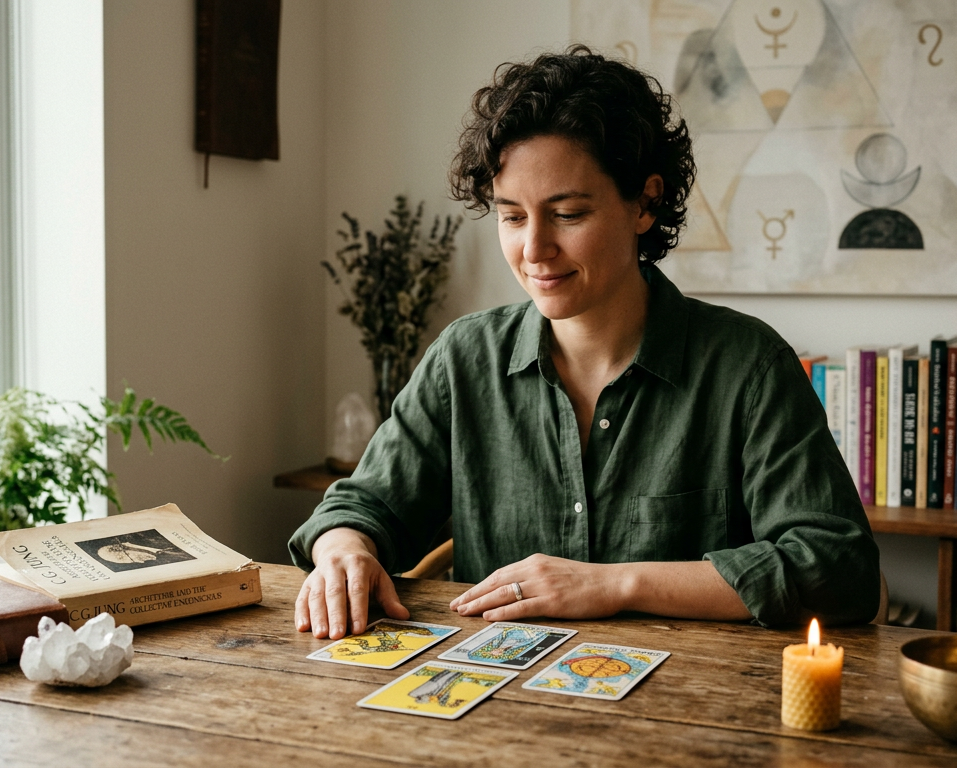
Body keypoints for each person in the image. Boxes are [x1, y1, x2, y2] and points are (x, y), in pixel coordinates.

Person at [289, 45, 879, 640]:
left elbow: (838, 565)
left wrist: (615, 583)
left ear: (645, 202)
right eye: (512, 217)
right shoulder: (464, 360)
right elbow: (361, 508)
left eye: (567, 214)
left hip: (690, 709)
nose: (534, 249)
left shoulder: (747, 367)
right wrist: (345, 549)